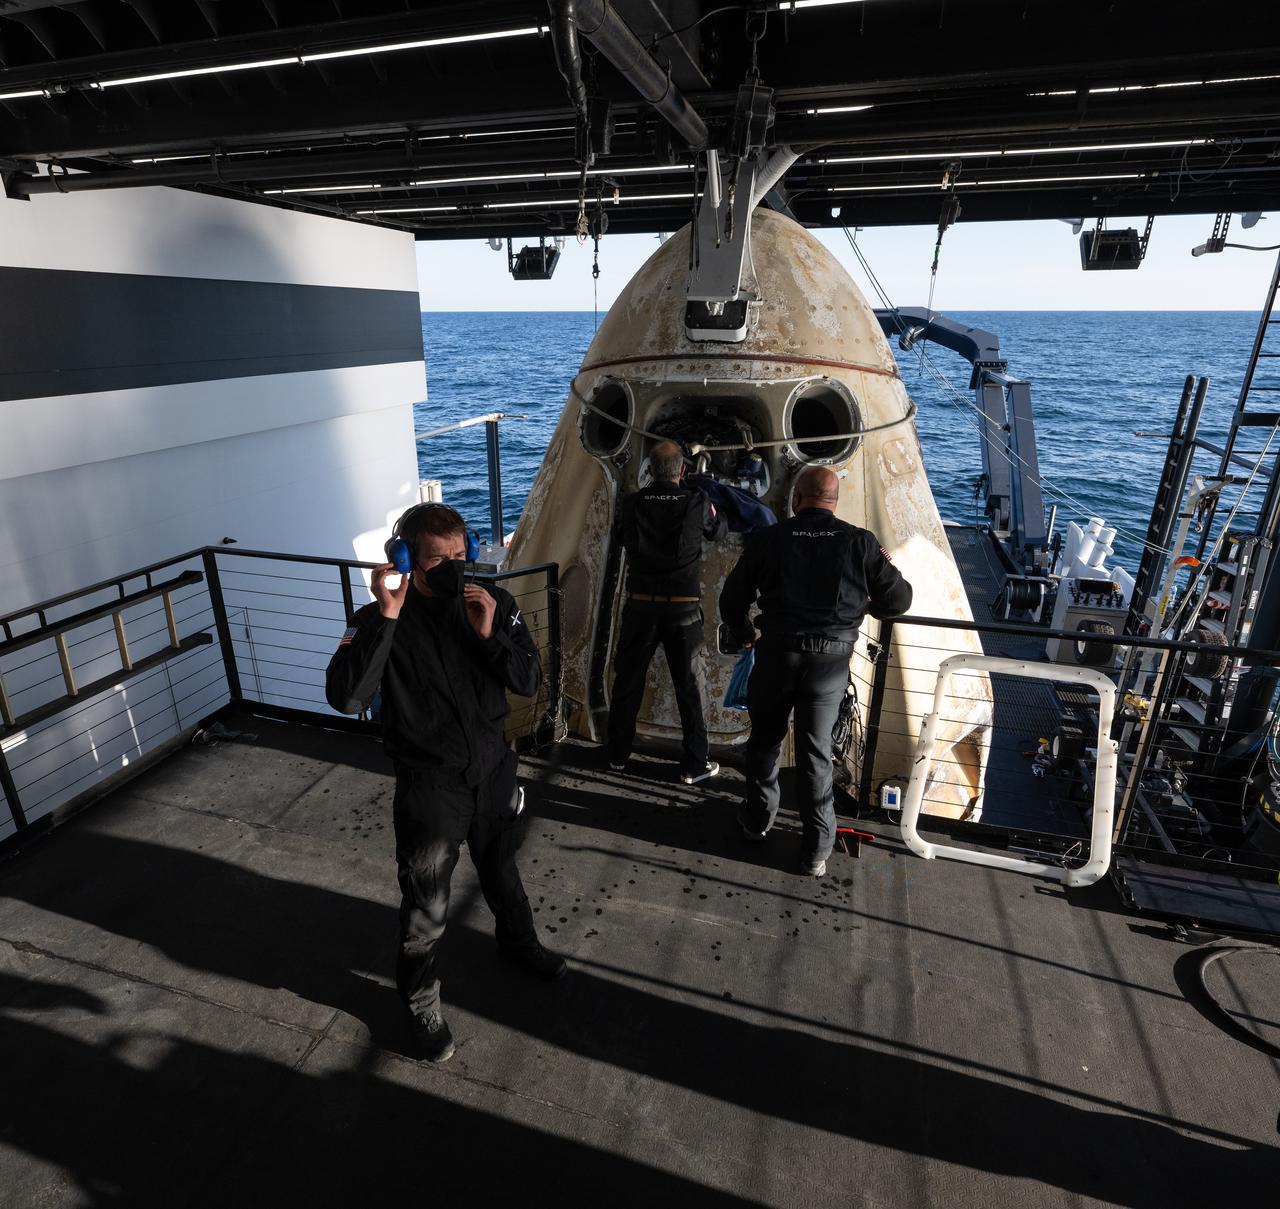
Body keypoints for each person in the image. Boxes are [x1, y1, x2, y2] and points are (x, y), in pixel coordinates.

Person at [326, 502, 564, 1064]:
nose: (455, 568)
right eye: (438, 559)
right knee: (426, 900)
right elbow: (347, 697)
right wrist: (386, 617)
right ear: (405, 560)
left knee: (502, 868)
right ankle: (420, 1002)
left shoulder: (493, 604)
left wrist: (488, 637)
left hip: (493, 767)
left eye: (461, 556)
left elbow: (529, 680)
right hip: (431, 785)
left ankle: (520, 943)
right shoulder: (375, 620)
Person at [719, 466, 912, 877]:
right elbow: (899, 600)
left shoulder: (769, 539)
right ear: (834, 502)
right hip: (829, 665)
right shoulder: (860, 542)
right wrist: (865, 606)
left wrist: (744, 634)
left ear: (796, 499)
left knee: (765, 743)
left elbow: (732, 598)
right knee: (816, 754)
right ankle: (816, 850)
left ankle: (757, 822)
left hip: (776, 658)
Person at [607, 438, 727, 783]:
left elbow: (620, 537)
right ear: (683, 470)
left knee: (627, 685)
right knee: (690, 689)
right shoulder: (697, 501)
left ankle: (616, 756)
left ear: (650, 471)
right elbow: (718, 532)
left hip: (640, 608)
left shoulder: (633, 503)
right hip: (683, 612)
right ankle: (694, 764)